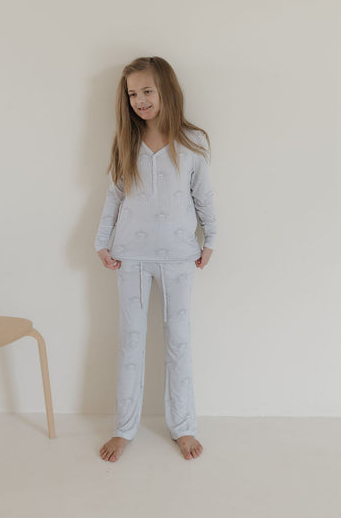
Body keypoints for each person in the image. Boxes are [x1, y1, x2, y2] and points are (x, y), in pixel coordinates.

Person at [94, 55, 217, 462]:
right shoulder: (126, 143)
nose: (140, 100)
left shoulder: (191, 146)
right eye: (133, 94)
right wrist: (102, 242)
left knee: (178, 343)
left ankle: (183, 427)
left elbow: (204, 199)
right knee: (131, 344)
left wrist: (211, 239)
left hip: (180, 258)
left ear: (166, 90)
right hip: (130, 258)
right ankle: (124, 428)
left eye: (147, 91)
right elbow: (113, 197)